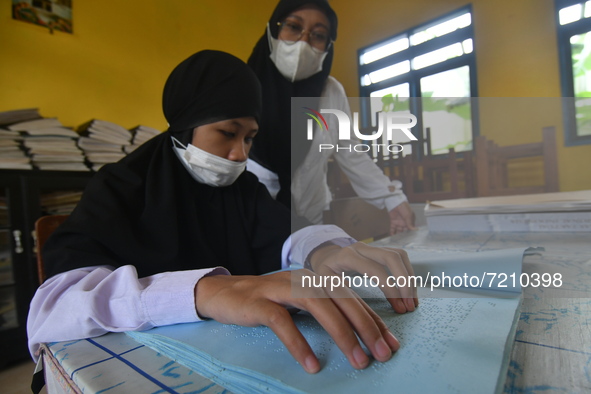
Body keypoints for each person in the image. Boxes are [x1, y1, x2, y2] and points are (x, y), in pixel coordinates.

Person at [27, 50, 418, 375]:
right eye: (227, 134)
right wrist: (205, 292)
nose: (240, 155)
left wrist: (325, 250)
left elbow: (284, 232)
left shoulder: (241, 187)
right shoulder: (119, 187)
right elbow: (54, 306)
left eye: (249, 138)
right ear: (185, 122)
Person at [246, 0, 417, 235]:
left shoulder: (332, 93)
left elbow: (351, 153)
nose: (303, 42)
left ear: (327, 46)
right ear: (274, 31)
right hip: (253, 222)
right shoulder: (244, 86)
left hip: (311, 220)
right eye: (294, 27)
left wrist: (393, 199)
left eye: (318, 35)